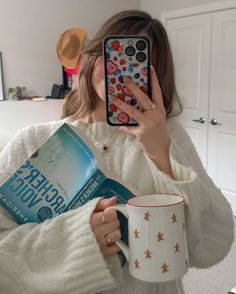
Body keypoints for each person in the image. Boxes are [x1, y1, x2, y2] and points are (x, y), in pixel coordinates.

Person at [0, 10, 234, 294]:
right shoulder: (33, 141)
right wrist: (78, 239)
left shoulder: (170, 137)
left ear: (158, 78)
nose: (122, 70)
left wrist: (162, 152)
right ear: (92, 56)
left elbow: (214, 242)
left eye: (138, 60)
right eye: (115, 53)